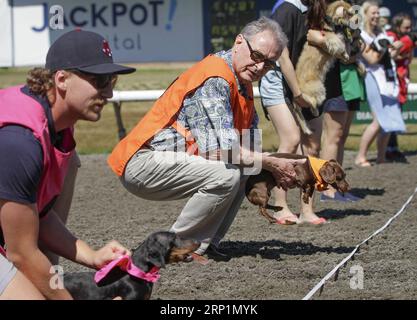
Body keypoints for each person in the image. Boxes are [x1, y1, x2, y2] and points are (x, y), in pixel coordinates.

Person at [108, 17, 305, 259]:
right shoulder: (215, 78)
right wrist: (272, 163)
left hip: (164, 160)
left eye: (268, 64)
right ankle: (171, 248)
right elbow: (223, 151)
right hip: (142, 162)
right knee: (228, 173)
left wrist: (276, 171)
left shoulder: (242, 84)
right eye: (256, 56)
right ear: (239, 42)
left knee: (245, 168)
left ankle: (205, 245)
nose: (259, 67)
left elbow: (248, 151)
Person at [0, 30, 135, 299]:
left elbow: (37, 214)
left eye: (112, 80)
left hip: (14, 235)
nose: (108, 92)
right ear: (62, 79)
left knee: (71, 160)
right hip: (15, 245)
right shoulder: (20, 140)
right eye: (99, 80)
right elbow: (20, 251)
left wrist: (92, 256)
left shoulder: (58, 127)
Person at [259, 0, 336, 224]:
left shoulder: (317, 9)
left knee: (311, 146)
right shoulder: (287, 9)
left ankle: (307, 210)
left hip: (305, 83)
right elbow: (282, 56)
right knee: (291, 140)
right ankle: (280, 206)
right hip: (278, 84)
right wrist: (297, 93)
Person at [320, 0, 365, 202]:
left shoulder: (353, 13)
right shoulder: (329, 13)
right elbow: (339, 51)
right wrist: (352, 53)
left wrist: (356, 47)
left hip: (351, 79)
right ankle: (326, 188)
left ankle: (337, 185)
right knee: (333, 135)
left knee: (342, 135)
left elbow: (357, 41)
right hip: (335, 78)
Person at [354, 1, 406, 167]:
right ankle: (360, 156)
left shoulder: (381, 32)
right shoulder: (361, 35)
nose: (377, 16)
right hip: (372, 77)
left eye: (378, 13)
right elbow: (372, 59)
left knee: (388, 120)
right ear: (365, 14)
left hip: (387, 77)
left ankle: (381, 156)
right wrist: (385, 48)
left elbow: (390, 55)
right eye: (373, 13)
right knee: (378, 120)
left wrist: (397, 48)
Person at [386, 13, 414, 162]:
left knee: (396, 116)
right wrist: (407, 44)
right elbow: (391, 54)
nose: (409, 30)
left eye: (410, 27)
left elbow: (408, 57)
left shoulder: (407, 38)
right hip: (390, 82)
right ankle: (387, 149)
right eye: (405, 27)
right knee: (391, 117)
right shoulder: (390, 35)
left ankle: (393, 148)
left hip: (402, 81)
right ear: (397, 26)